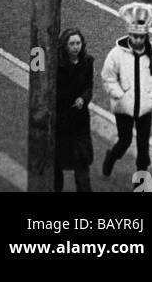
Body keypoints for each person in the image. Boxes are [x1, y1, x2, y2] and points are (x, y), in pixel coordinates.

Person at [101, 2, 152, 178]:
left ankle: (140, 181)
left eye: (141, 37)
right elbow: (108, 77)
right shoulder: (116, 54)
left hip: (144, 107)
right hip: (124, 107)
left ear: (145, 37)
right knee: (125, 140)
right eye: (135, 36)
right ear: (129, 35)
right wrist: (119, 95)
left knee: (143, 146)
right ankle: (111, 157)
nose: (138, 40)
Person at [55, 28, 94, 193]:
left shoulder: (87, 62)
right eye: (72, 44)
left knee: (81, 161)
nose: (75, 47)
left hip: (79, 121)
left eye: (78, 43)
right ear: (65, 46)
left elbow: (89, 85)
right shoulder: (56, 65)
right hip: (61, 121)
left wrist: (83, 99)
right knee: (57, 163)